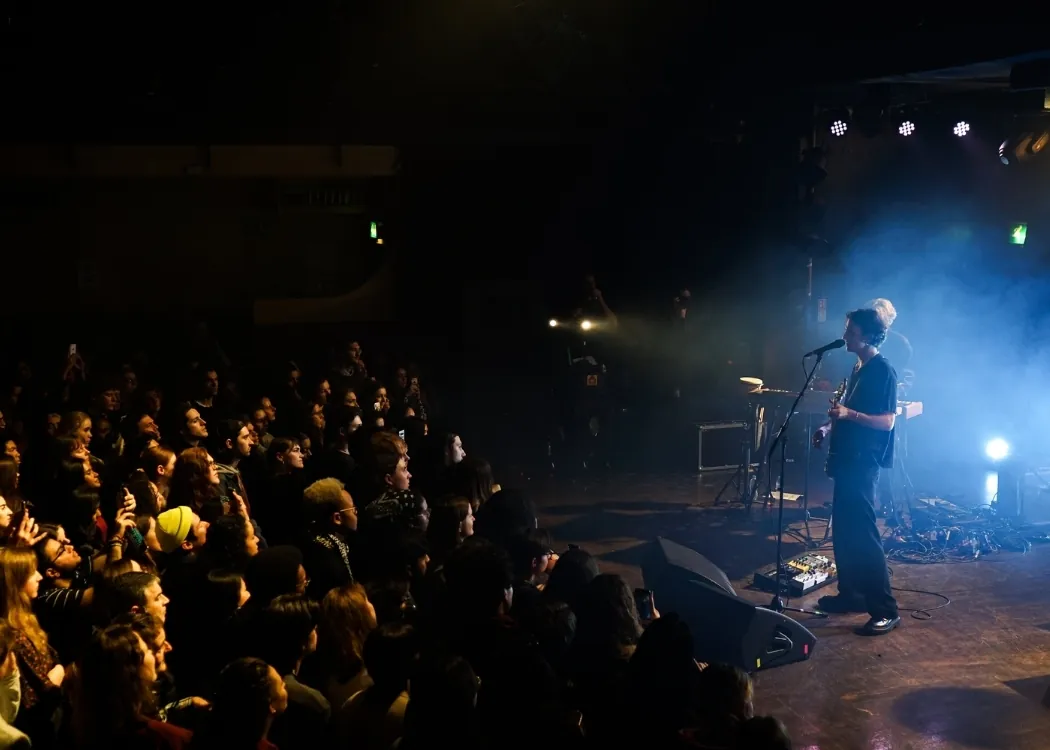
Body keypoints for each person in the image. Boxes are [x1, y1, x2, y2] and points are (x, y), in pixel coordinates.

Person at [812, 307, 900, 636]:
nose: (845, 335)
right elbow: (842, 411)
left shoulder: (882, 370)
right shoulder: (857, 367)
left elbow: (887, 421)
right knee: (845, 531)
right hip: (846, 459)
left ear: (865, 335)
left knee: (863, 535)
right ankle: (852, 595)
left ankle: (885, 609)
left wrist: (849, 415)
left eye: (850, 331)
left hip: (864, 462)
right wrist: (827, 427)